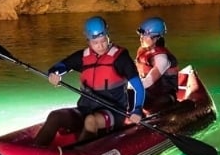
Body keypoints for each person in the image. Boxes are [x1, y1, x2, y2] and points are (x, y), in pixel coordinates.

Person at [33, 16, 145, 147]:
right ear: (88, 41)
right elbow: (59, 66)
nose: (100, 46)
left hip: (114, 111)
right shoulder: (83, 57)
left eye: (103, 41)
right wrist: (54, 73)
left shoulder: (121, 59)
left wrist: (137, 109)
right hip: (86, 108)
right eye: (95, 42)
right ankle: (36, 150)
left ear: (108, 36)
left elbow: (139, 87)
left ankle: (78, 154)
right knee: (55, 116)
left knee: (91, 120)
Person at [134, 16, 180, 114]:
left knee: (130, 94)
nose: (141, 38)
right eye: (141, 35)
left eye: (144, 35)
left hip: (164, 96)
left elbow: (148, 82)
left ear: (155, 38)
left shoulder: (161, 58)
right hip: (150, 92)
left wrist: (127, 87)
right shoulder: (144, 51)